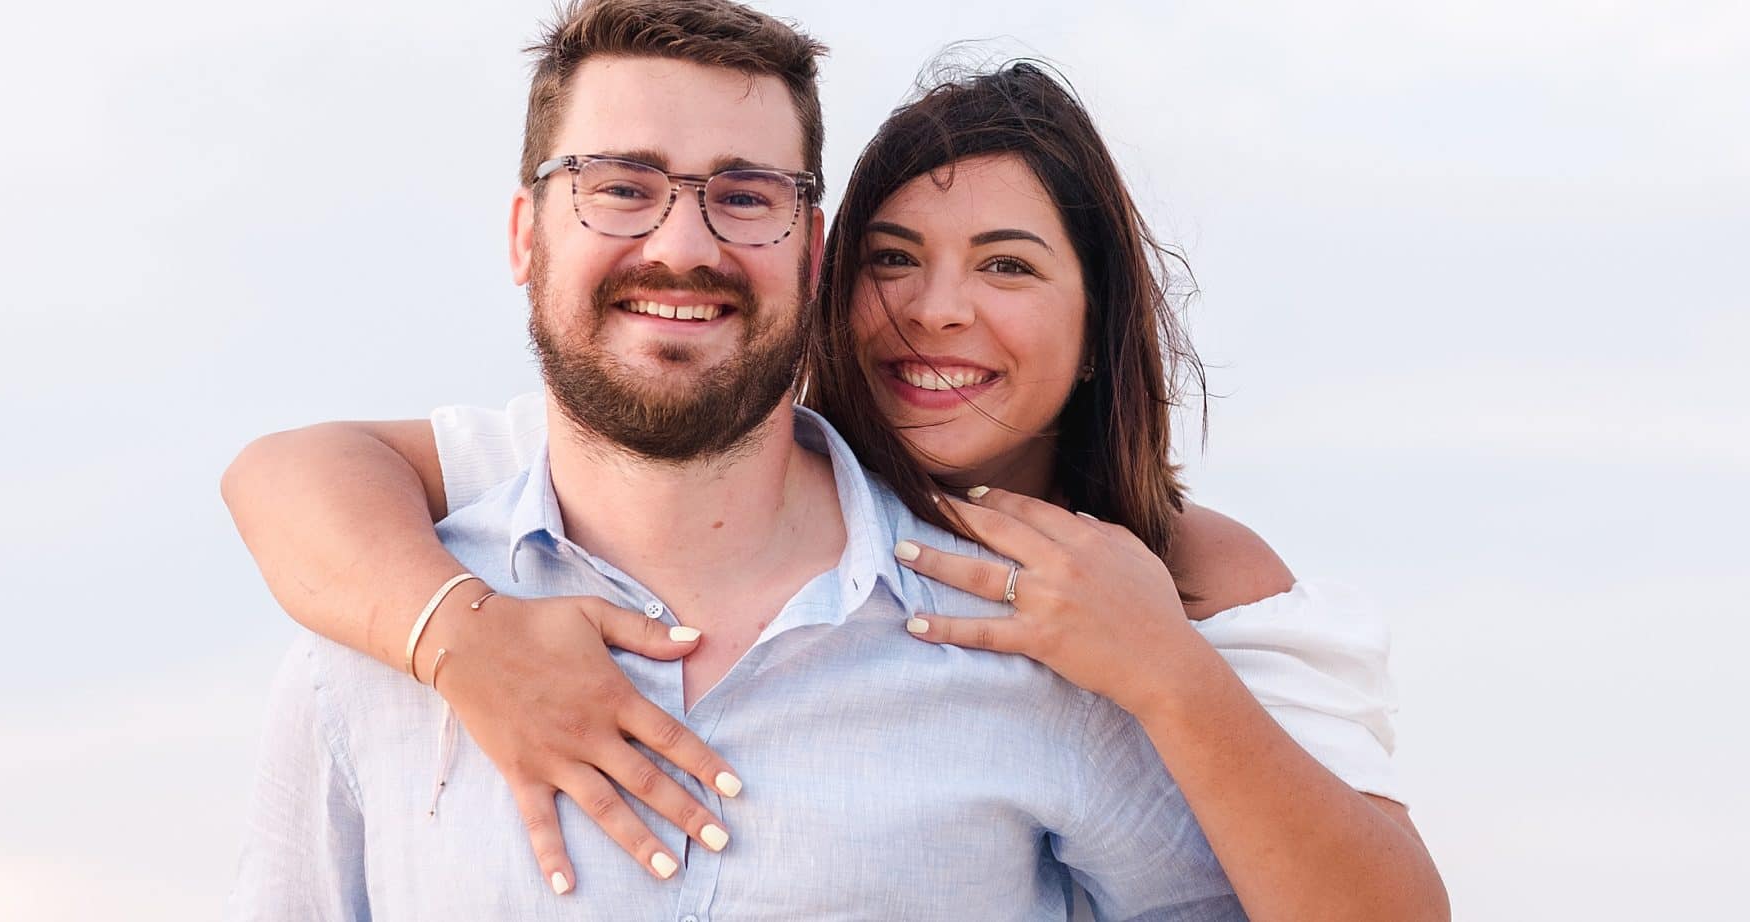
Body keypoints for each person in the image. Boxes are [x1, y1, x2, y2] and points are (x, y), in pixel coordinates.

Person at [225, 1, 1244, 918]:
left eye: (745, 195)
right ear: (525, 236)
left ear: (809, 252)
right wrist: (453, 635)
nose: (682, 243)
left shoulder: (1038, 646)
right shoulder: (366, 647)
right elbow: (283, 468)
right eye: (619, 187)